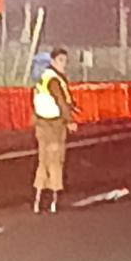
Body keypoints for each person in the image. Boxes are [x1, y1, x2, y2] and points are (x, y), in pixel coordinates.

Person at [32, 48, 77, 214]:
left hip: (41, 124)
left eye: (65, 61)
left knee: (43, 161)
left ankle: (38, 200)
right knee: (56, 161)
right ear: (52, 61)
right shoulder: (54, 80)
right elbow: (60, 101)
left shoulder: (42, 78)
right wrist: (70, 121)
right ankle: (53, 200)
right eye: (60, 61)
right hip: (54, 125)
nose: (64, 64)